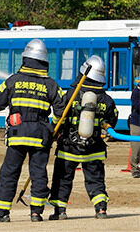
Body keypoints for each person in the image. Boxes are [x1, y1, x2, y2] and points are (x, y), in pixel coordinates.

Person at [0, 39, 66, 223]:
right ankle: (36, 213)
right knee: (39, 173)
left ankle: (2, 213)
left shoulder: (13, 80)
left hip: (17, 134)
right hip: (41, 136)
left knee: (9, 173)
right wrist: (53, 129)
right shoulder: (51, 84)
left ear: (26, 59)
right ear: (44, 62)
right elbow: (62, 111)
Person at [48, 55, 118, 220]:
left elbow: (60, 115)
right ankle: (101, 209)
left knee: (63, 179)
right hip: (94, 149)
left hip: (68, 148)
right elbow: (112, 119)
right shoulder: (106, 99)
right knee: (95, 180)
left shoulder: (72, 94)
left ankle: (60, 211)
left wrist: (54, 131)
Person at [130, 76, 140, 178]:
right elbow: (137, 106)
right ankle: (134, 168)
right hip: (137, 124)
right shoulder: (136, 92)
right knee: (136, 148)